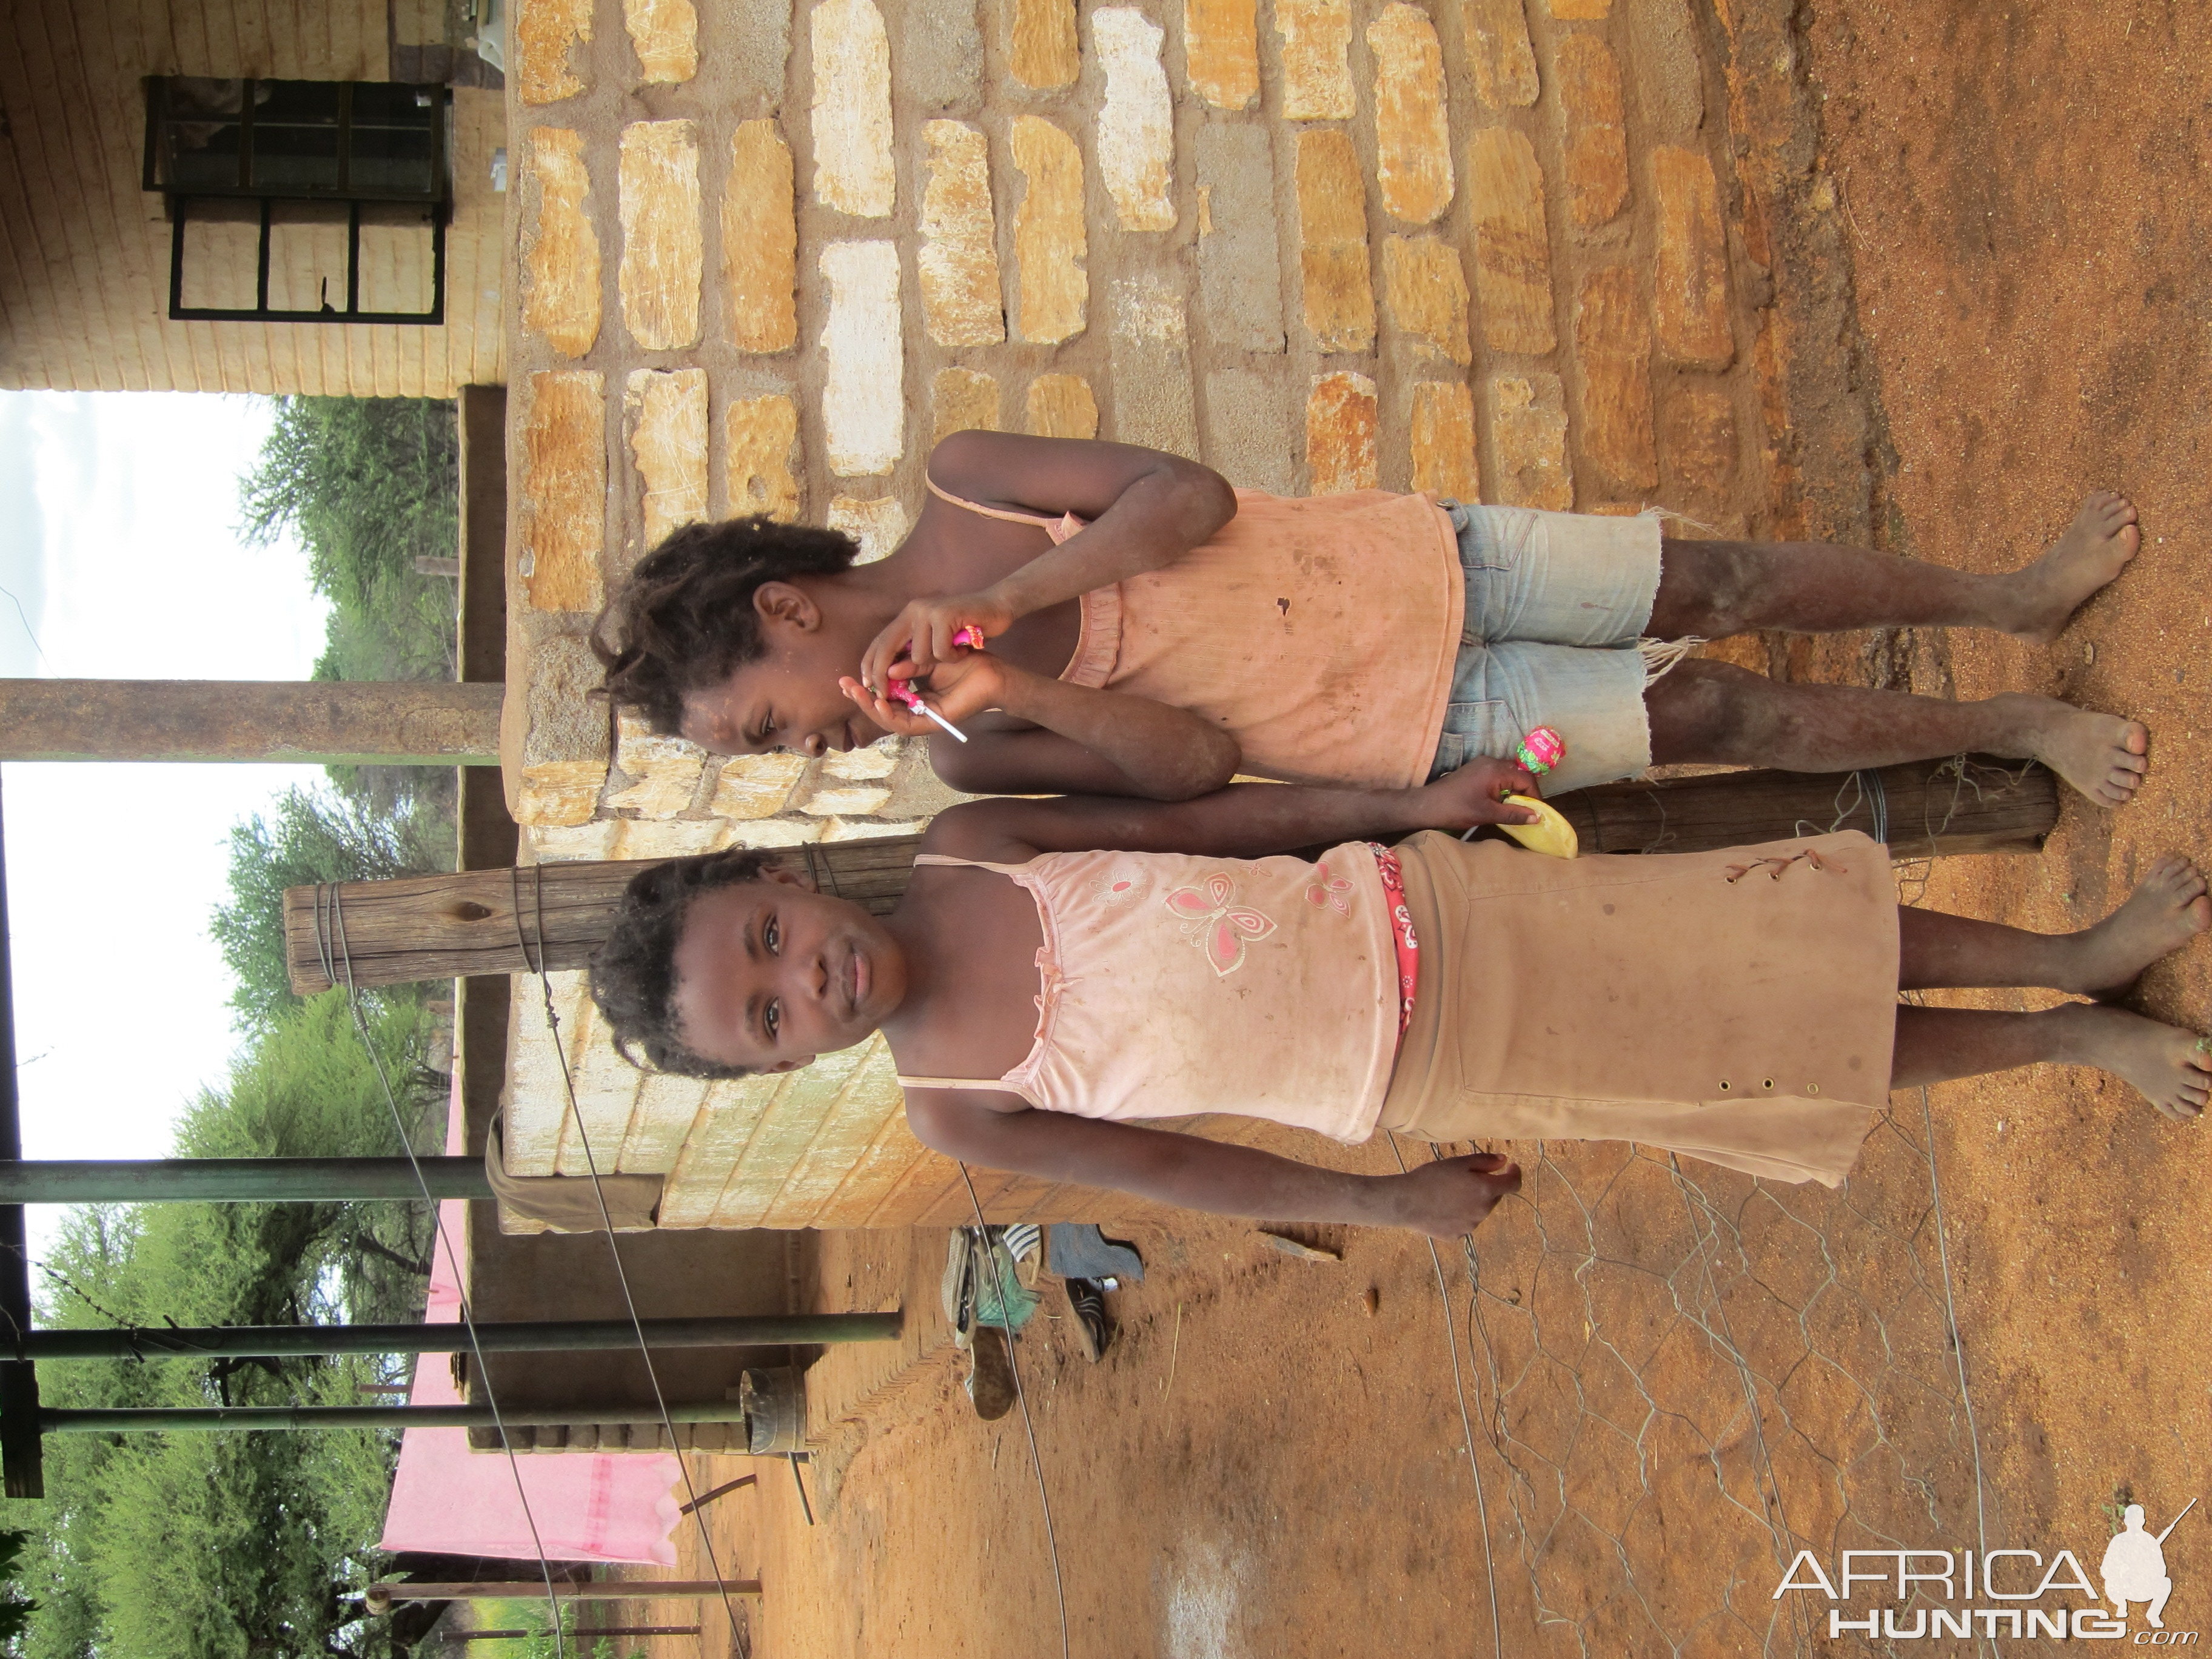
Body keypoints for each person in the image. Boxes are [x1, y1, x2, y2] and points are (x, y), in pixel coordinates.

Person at [582, 763, 2210, 1237]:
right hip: (1443, 1064)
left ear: (785, 877)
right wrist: (1390, 1204)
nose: (809, 979)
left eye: (772, 939)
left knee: (1755, 939)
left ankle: (2068, 956)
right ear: (781, 1068)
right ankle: (2067, 1041)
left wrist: (1410, 808)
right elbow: (1184, 1172)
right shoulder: (953, 1104)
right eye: (774, 1017)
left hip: (1442, 904)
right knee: (1752, 1054)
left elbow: (1198, 823)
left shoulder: (969, 845)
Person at [589, 431, 2151, 806]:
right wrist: (1015, 690)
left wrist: (1001, 591)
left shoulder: (967, 488)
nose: (814, 743)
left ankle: (2008, 598)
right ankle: (2012, 725)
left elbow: (1188, 497)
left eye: (774, 719)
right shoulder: (963, 755)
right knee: (1723, 716)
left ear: (787, 605)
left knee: (1722, 578)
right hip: (1420, 728)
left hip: (1428, 562)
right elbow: (1196, 765)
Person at [2102, 1504, 2177, 1628]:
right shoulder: (2118, 1541)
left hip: (2144, 1588)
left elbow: (2162, 1570)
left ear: (2143, 1521)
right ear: (2126, 1521)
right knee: (2110, 1582)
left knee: (2165, 1583)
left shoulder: (2150, 1541)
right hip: (2123, 1588)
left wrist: (2145, 1568)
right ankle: (2121, 1605)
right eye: (2132, 1520)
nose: (2134, 1523)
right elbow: (2105, 1570)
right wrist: (2122, 1569)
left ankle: (2153, 1614)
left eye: (2137, 1520)